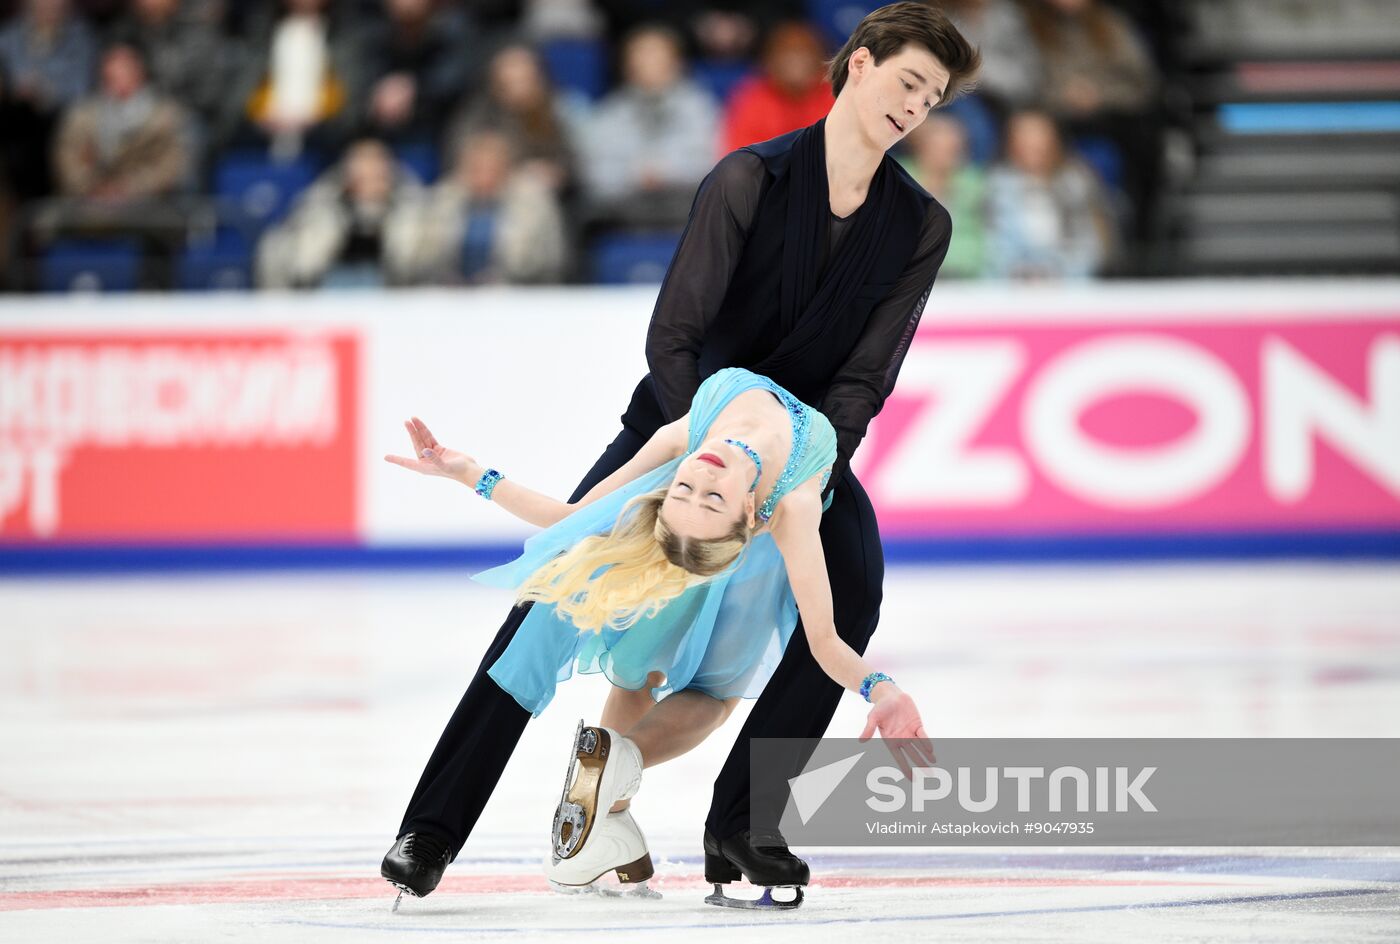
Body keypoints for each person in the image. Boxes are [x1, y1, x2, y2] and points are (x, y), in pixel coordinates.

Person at [380, 0, 980, 911]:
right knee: (553, 592)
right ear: (859, 63)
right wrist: (698, 444)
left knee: (852, 589)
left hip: (802, 450)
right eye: (909, 82)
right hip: (683, 420)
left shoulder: (919, 224)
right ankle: (430, 829)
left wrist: (809, 474)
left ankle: (746, 824)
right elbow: (675, 337)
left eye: (932, 98)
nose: (916, 107)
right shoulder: (750, 178)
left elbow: (868, 374)